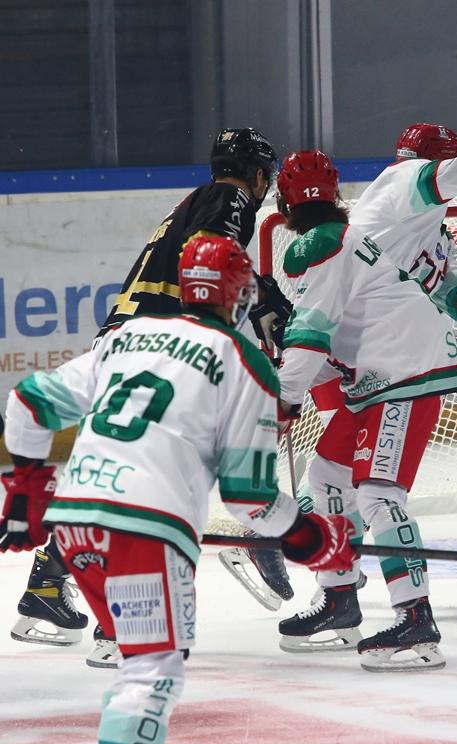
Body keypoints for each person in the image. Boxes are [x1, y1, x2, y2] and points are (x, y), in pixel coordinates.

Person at [0, 236, 354, 744]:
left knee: (139, 662)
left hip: (74, 525)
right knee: (152, 672)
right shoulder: (244, 362)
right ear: (239, 295)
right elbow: (249, 498)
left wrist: (25, 488)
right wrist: (311, 537)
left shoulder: (127, 336)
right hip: (146, 529)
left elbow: (26, 402)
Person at [269, 144, 457, 671]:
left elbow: (314, 329)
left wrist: (284, 398)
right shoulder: (373, 218)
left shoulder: (354, 228)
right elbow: (434, 302)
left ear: (286, 204)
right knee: (328, 476)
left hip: (403, 373)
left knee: (378, 493)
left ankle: (415, 618)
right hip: (381, 372)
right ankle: (339, 597)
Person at [8, 127, 280, 661]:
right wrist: (264, 297)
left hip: (127, 339)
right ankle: (120, 626)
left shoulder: (196, 200)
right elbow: (211, 253)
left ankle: (46, 588)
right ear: (256, 173)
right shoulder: (231, 198)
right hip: (157, 346)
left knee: (117, 473)